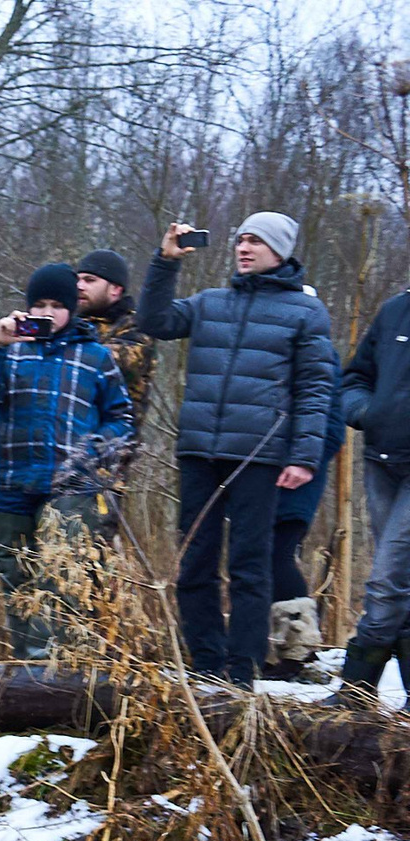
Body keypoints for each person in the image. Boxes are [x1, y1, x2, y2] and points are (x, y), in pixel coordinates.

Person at [140, 212, 337, 687]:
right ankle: (206, 664)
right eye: (241, 240)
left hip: (260, 455)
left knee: (249, 566)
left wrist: (303, 457)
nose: (244, 248)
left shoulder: (306, 313)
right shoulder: (210, 303)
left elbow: (315, 390)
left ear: (281, 251)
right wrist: (166, 261)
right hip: (200, 452)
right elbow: (154, 320)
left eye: (256, 242)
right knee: (194, 562)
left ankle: (242, 671)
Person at [0, 262, 134, 658]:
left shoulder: (95, 356)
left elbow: (122, 420)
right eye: (39, 303)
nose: (47, 312)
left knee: (64, 575)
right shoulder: (9, 349)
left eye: (57, 304)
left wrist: (90, 452)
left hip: (71, 487)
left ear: (72, 308)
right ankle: (30, 679)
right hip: (12, 483)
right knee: (16, 580)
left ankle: (62, 674)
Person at [334, 277, 410, 701]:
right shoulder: (395, 309)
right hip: (382, 460)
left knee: (386, 579)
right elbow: (355, 377)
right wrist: (367, 412)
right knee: (401, 582)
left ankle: (353, 691)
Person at [261, 429, 340, 681]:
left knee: (277, 555)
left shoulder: (322, 390)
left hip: (297, 474)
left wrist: (305, 461)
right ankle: (276, 649)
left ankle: (298, 649)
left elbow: (332, 429)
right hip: (265, 471)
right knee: (261, 560)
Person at [76, 249, 155, 436]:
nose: (79, 286)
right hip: (65, 433)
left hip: (110, 442)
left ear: (115, 289)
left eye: (89, 280)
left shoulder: (137, 326)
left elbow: (109, 363)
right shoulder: (72, 323)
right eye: (77, 280)